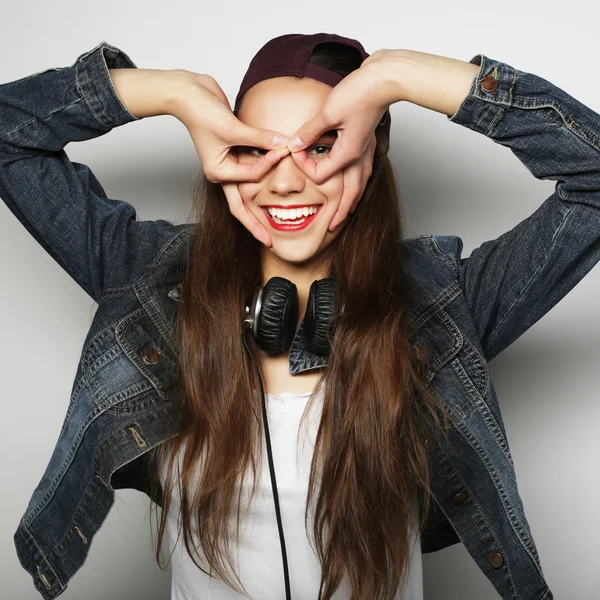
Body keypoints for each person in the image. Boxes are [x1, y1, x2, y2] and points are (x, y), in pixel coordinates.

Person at [1, 32, 599, 600]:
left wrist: (399, 77)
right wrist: (172, 93)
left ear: (370, 154)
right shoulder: (148, 281)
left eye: (321, 146)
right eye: (256, 148)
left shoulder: (441, 306)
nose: (286, 182)